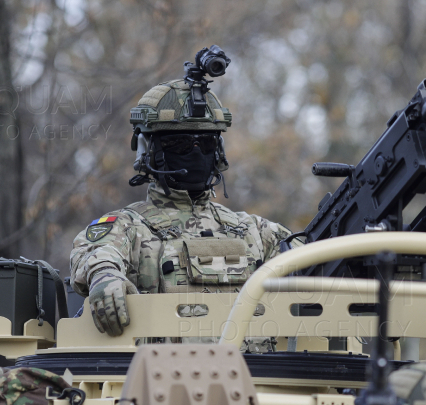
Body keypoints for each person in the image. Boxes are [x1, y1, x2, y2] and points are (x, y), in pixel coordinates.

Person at [70, 78, 300, 338]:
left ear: (218, 152)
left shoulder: (254, 231)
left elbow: (313, 260)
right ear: (149, 150)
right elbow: (93, 253)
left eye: (206, 144)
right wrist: (104, 275)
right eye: (179, 144)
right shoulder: (127, 226)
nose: (194, 153)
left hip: (251, 374)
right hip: (158, 374)